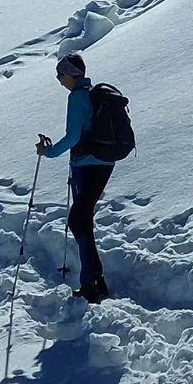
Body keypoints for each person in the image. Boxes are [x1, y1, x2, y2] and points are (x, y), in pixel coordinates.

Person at [36, 52, 114, 304]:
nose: (59, 80)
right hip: (102, 163)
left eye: (61, 75)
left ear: (72, 75)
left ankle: (91, 285)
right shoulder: (91, 94)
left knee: (79, 221)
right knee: (82, 220)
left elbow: (73, 137)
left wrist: (49, 152)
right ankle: (95, 281)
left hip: (88, 165)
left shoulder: (78, 97)